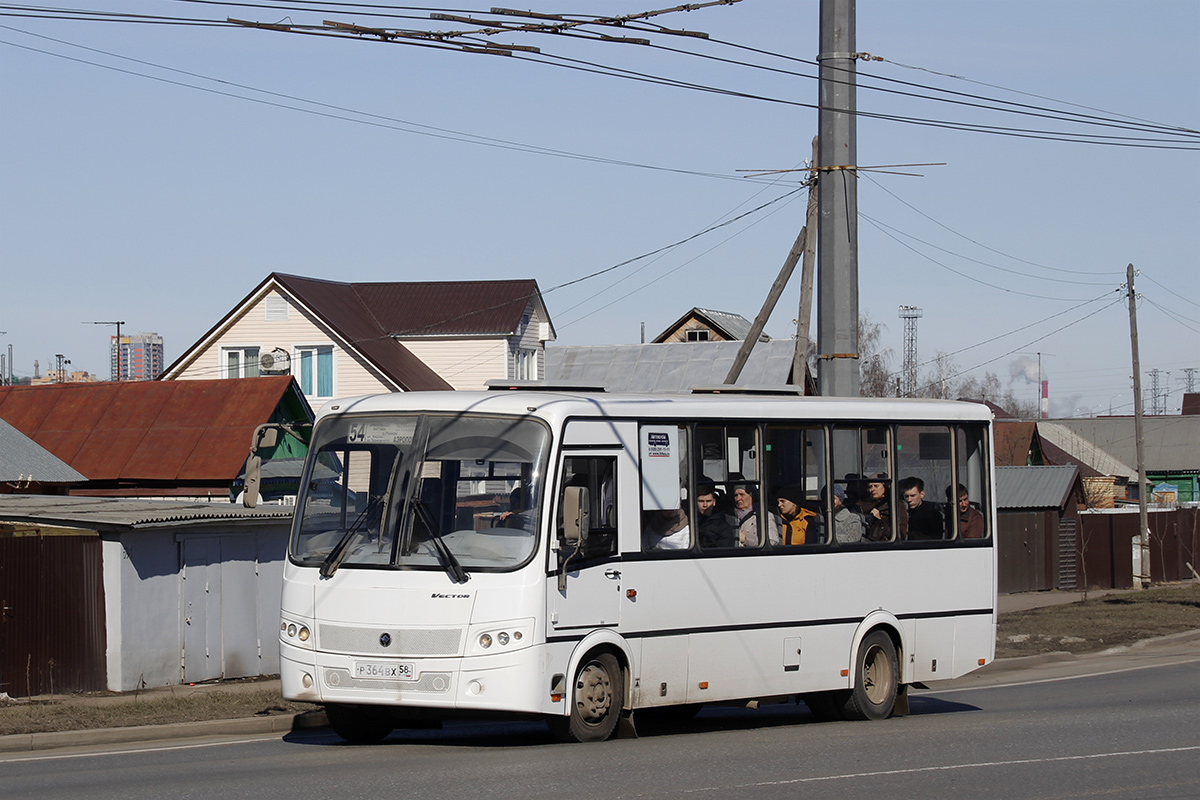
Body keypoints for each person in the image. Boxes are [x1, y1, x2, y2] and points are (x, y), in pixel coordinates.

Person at [859, 473, 906, 542]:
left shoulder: (895, 505)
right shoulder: (862, 504)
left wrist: (879, 520)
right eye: (870, 486)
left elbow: (901, 534)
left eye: (876, 486)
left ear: (885, 486)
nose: (872, 489)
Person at [696, 483, 737, 548]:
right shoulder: (690, 522)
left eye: (708, 501)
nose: (705, 505)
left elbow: (725, 551)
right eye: (701, 501)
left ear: (714, 502)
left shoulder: (723, 526)